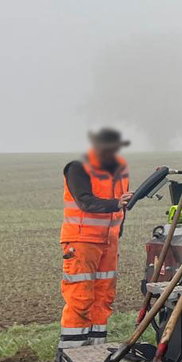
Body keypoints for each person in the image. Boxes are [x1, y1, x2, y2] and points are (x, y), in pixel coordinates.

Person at [60, 128, 132, 349]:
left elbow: (123, 206)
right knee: (80, 296)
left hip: (109, 243)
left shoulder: (120, 171)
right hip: (82, 241)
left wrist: (118, 230)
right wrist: (116, 204)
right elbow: (85, 201)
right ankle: (69, 355)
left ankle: (96, 350)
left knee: (103, 297)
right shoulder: (78, 168)